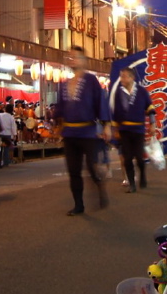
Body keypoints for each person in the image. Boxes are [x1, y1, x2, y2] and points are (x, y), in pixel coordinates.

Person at [54, 46, 111, 215]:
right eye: (70, 57)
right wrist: (58, 128)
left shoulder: (91, 80)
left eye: (76, 57)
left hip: (88, 131)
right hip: (70, 134)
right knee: (74, 171)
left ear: (84, 61)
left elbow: (100, 101)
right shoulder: (64, 85)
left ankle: (99, 186)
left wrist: (106, 125)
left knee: (92, 167)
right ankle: (78, 205)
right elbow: (60, 110)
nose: (72, 60)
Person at [111, 67, 156, 193]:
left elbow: (150, 107)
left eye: (125, 76)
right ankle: (132, 184)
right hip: (124, 129)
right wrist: (115, 128)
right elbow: (115, 112)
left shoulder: (141, 91)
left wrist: (152, 123)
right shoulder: (118, 93)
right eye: (121, 76)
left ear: (132, 78)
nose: (122, 79)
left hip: (138, 129)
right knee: (127, 158)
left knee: (139, 157)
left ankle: (142, 174)